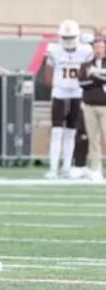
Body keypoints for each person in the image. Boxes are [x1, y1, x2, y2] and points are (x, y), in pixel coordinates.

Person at [44, 20, 93, 179]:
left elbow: (87, 72)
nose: (68, 40)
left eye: (71, 36)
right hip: (59, 92)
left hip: (77, 92)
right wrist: (53, 85)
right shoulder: (54, 50)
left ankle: (66, 167)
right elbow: (47, 76)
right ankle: (53, 168)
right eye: (65, 36)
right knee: (57, 131)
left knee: (71, 131)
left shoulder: (85, 50)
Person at [79, 37, 106, 181]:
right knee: (93, 139)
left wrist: (95, 74)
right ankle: (96, 169)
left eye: (101, 47)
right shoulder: (86, 65)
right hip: (89, 105)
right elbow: (82, 82)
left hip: (105, 106)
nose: (99, 50)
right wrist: (98, 76)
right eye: (96, 47)